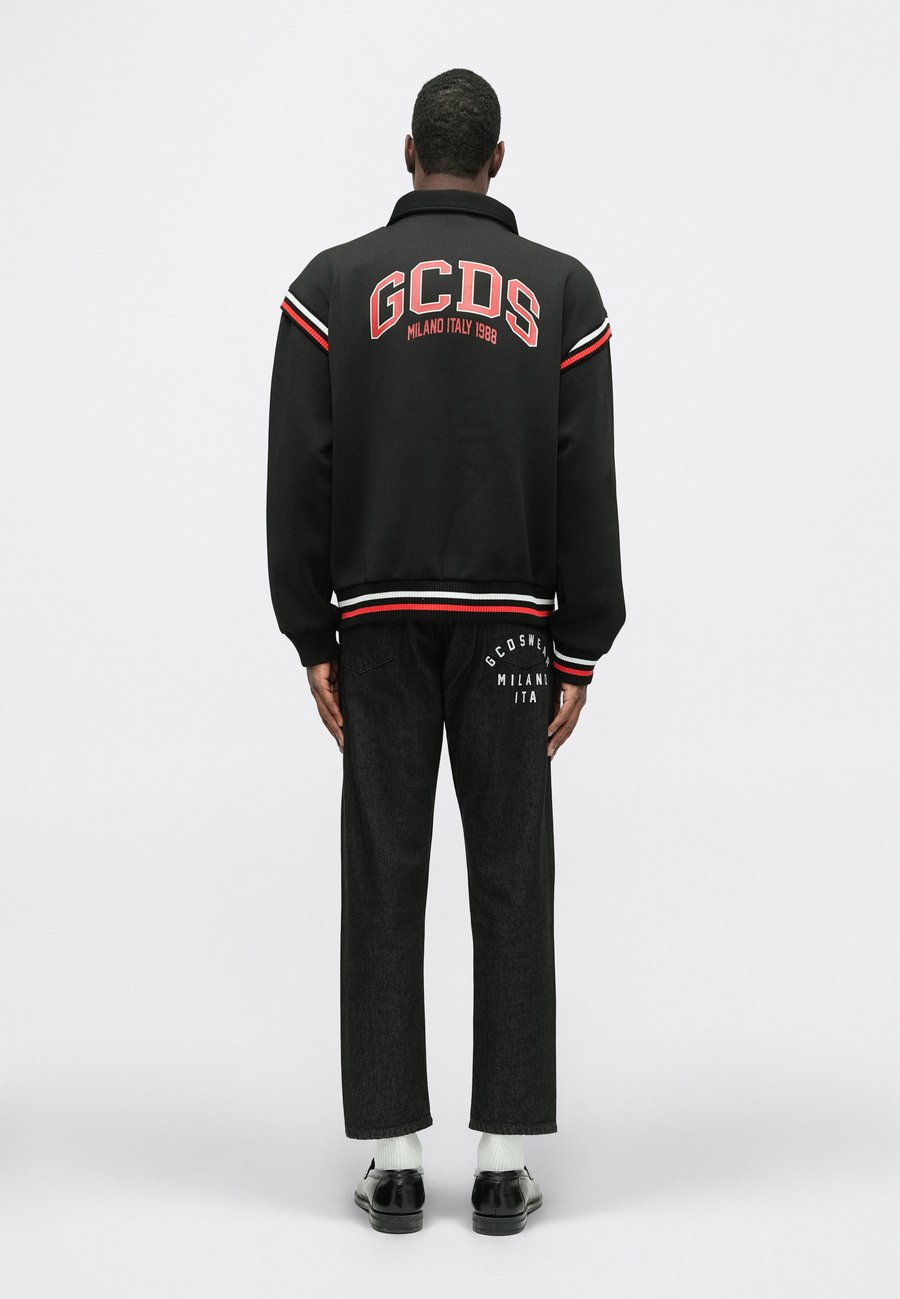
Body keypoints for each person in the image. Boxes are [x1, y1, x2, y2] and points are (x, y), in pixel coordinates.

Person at [266, 66, 625, 1235]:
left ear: (409, 150)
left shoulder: (331, 287)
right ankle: (506, 1159)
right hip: (515, 625)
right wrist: (578, 645)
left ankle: (394, 1157)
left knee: (384, 865)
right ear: (497, 158)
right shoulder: (561, 291)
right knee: (512, 867)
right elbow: (585, 470)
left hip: (376, 620)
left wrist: (310, 629)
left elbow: (300, 464)